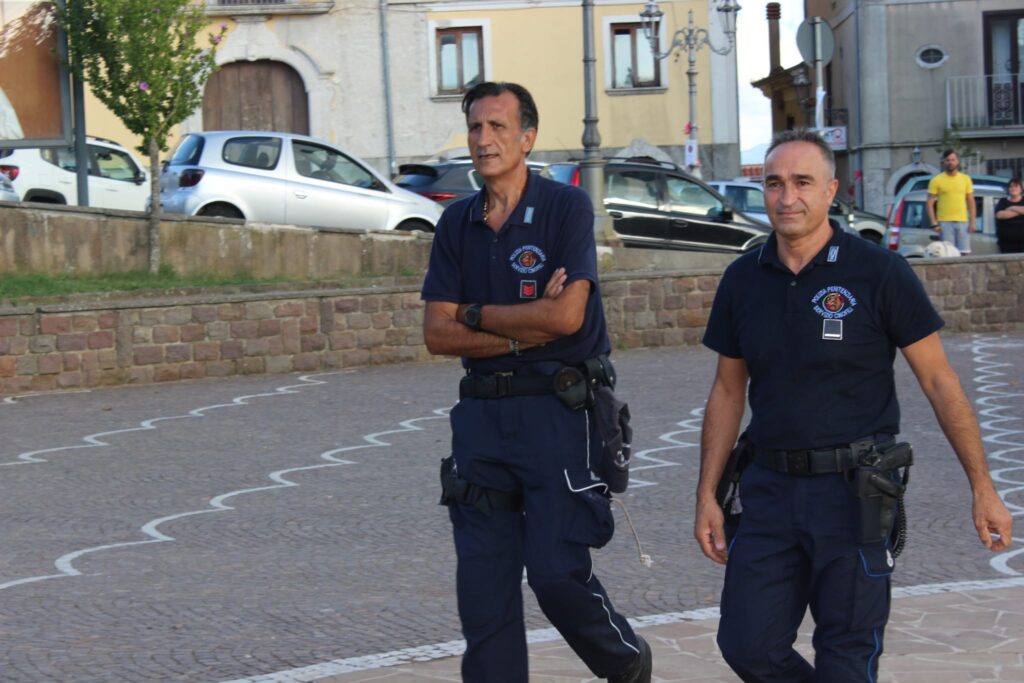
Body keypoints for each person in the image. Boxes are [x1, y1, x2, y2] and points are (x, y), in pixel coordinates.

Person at [694, 129, 1013, 681]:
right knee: (747, 644)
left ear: (830, 190)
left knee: (846, 657)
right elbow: (727, 390)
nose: (787, 197)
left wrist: (982, 486)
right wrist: (707, 494)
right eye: (774, 183)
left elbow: (939, 381)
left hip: (855, 494)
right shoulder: (743, 279)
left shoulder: (878, 271)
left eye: (802, 182)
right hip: (769, 492)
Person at [421, 81, 651, 683]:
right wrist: (525, 329)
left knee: (554, 574)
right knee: (484, 591)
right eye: (475, 127)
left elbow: (567, 318)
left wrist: (473, 313)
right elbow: (437, 333)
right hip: (482, 422)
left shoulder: (564, 208)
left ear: (527, 138)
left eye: (497, 126)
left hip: (558, 414)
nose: (483, 139)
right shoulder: (456, 222)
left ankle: (626, 662)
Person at [925, 149, 976, 255]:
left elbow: (971, 201)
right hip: (945, 222)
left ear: (957, 161)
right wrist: (934, 223)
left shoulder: (966, 179)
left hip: (963, 221)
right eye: (947, 160)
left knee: (965, 253)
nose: (950, 162)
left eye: (953, 160)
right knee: (948, 254)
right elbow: (929, 203)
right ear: (944, 162)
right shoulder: (936, 180)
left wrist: (972, 222)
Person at [994, 176, 1024, 254]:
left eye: (1016, 186)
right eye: (1011, 186)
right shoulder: (1003, 201)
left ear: (1021, 189)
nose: (1013, 188)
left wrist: (1012, 208)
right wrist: (1020, 211)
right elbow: (1000, 215)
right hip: (1006, 244)